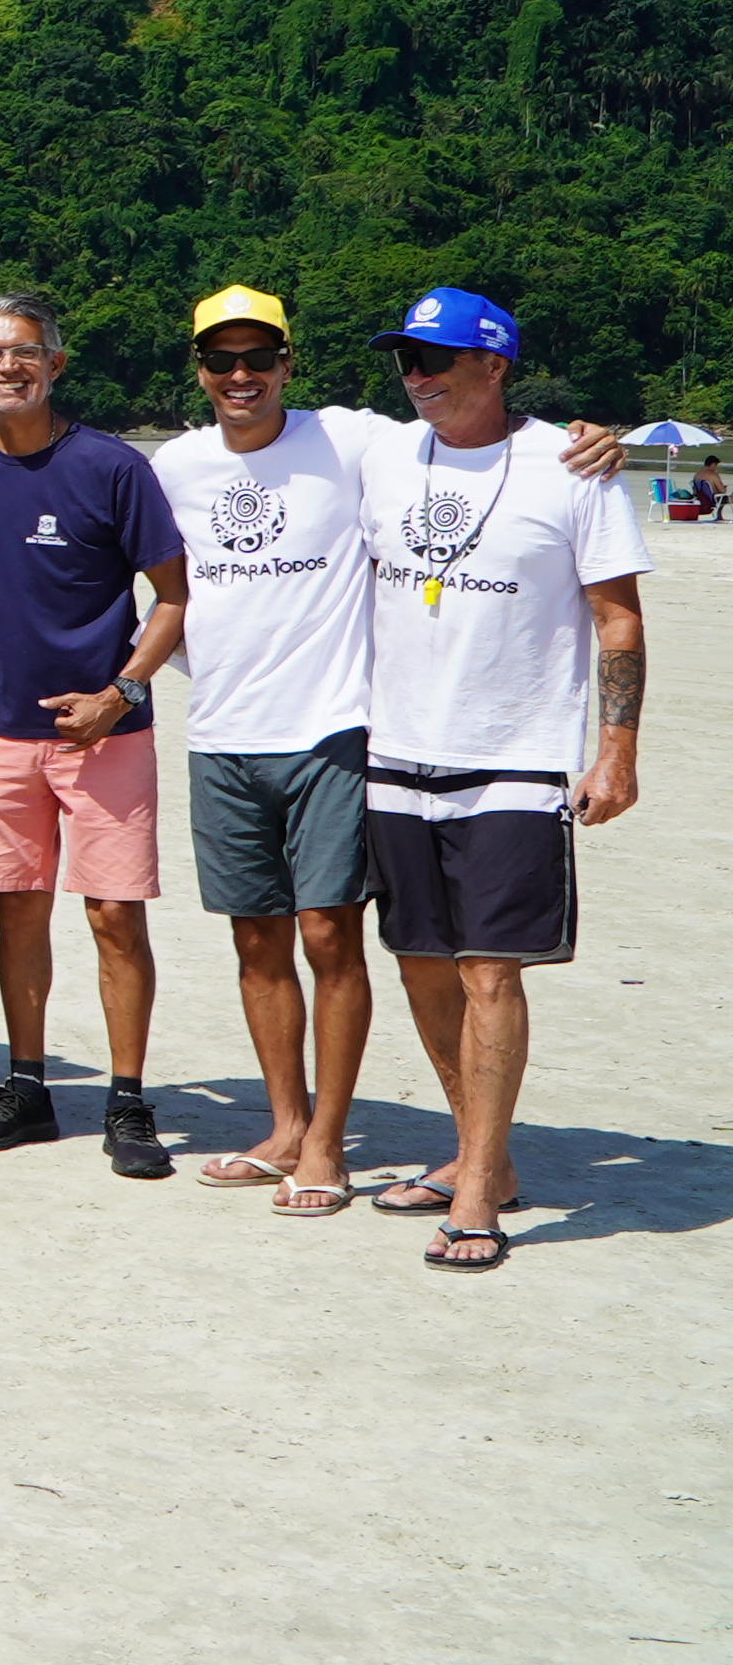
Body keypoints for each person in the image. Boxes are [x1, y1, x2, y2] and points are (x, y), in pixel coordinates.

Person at [148, 287, 624, 1213]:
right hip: (234, 734)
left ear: (288, 363)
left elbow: (500, 447)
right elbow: (94, 505)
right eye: (219, 360)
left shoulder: (354, 438)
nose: (240, 375)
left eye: (259, 358)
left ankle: (337, 1144)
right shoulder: (177, 464)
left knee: (340, 938)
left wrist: (599, 437)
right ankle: (290, 1128)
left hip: (340, 731)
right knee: (267, 941)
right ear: (198, 370)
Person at [351, 288, 645, 1272]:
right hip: (395, 750)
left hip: (513, 755)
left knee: (488, 969)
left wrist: (617, 751)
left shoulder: (572, 466)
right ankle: (485, 1151)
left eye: (435, 358)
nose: (416, 375)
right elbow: (259, 426)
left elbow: (617, 618)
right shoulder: (384, 451)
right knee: (420, 961)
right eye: (406, 359)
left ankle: (478, 1189)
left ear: (494, 363)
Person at [0, 291, 191, 1177]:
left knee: (114, 915)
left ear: (56, 363)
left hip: (106, 732)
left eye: (25, 352)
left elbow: (173, 596)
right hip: (1, 728)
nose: (8, 367)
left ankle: (128, 1097)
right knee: (19, 908)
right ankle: (26, 1085)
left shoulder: (113, 466)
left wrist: (122, 691)